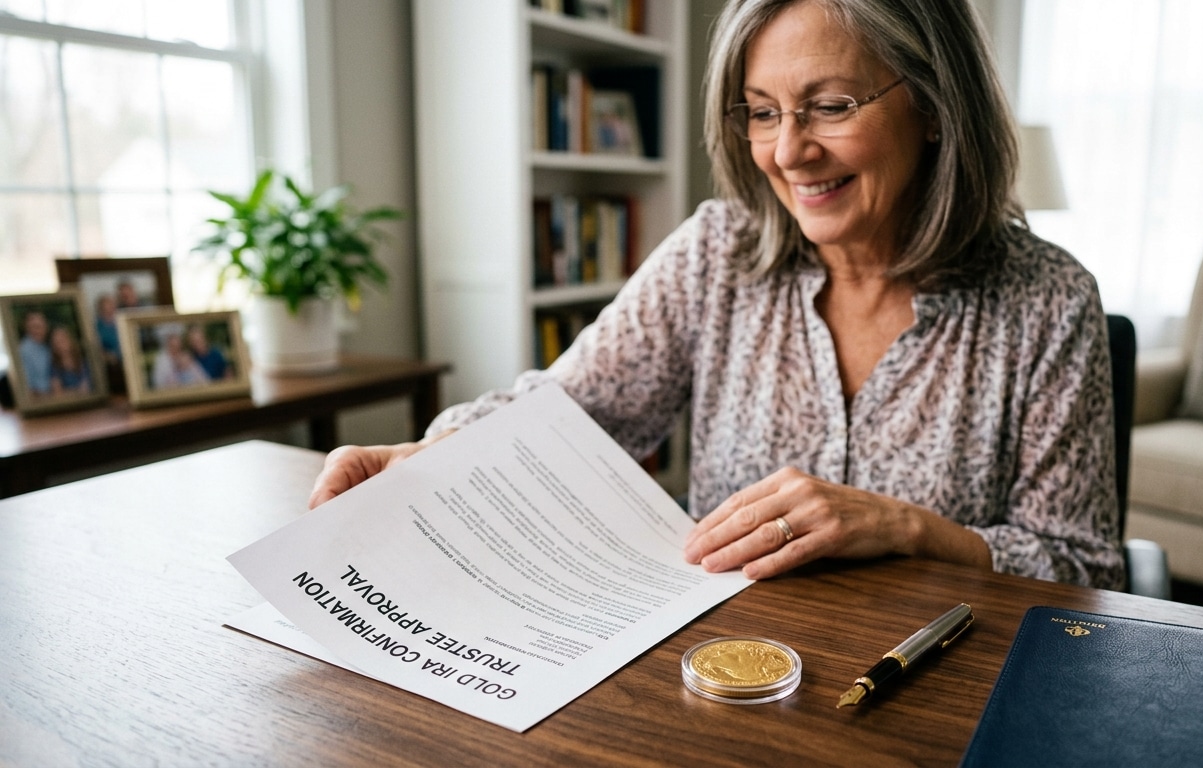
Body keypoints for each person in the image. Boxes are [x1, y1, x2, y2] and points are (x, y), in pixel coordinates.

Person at [309, 0, 1125, 590]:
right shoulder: (717, 250)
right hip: (724, 669)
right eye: (763, 113)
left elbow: (1083, 566)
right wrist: (423, 457)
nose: (789, 151)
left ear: (937, 106)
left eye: (830, 106)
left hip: (933, 684)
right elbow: (570, 414)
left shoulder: (1048, 301)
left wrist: (909, 528)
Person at [48, 325, 92, 394]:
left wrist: (69, 391)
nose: (60, 345)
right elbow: (58, 392)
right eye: (57, 342)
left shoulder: (82, 361)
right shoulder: (54, 366)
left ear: (70, 340)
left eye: (62, 340)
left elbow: (85, 388)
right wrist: (76, 391)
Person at [17, 310, 53, 396]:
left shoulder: (45, 348)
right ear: (27, 328)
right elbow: (28, 388)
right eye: (35, 327)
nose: (39, 330)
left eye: (41, 326)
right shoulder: (23, 351)